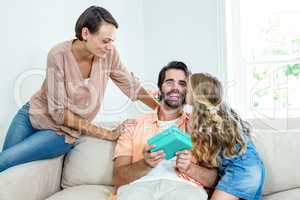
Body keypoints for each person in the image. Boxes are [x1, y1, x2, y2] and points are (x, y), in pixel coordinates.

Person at [0, 6, 159, 172]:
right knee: (4, 167)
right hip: (32, 112)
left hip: (62, 132)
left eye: (112, 41)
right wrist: (106, 133)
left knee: (5, 161)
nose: (110, 46)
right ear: (85, 34)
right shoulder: (58, 55)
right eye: (105, 41)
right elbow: (58, 111)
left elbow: (132, 87)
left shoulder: (109, 55)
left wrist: (164, 110)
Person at [112, 61, 217, 200]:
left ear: (189, 91)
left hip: (184, 187)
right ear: (160, 88)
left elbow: (212, 180)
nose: (175, 88)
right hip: (139, 186)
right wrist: (145, 163)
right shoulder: (133, 125)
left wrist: (189, 167)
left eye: (182, 83)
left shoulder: (200, 125)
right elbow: (117, 178)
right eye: (169, 82)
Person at [188, 73, 265, 200]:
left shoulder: (207, 123)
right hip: (253, 168)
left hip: (242, 171)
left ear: (195, 96)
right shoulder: (221, 112)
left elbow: (206, 155)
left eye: (187, 89)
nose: (184, 91)